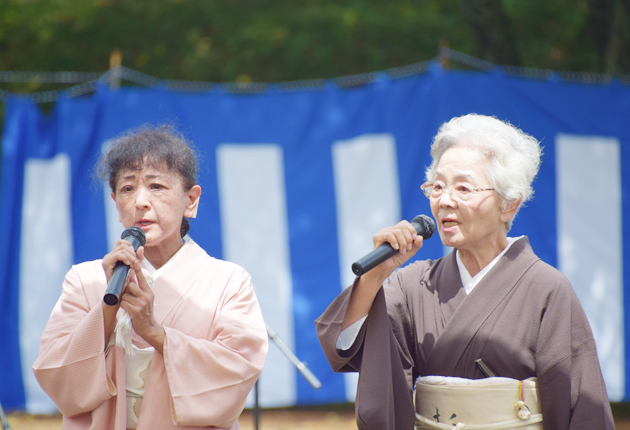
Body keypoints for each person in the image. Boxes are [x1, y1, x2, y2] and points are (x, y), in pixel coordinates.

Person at [315, 114, 615, 429]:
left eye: (463, 188)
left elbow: (579, 406)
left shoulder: (546, 288)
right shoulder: (413, 286)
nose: (445, 200)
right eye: (438, 186)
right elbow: (350, 348)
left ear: (509, 204)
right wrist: (375, 276)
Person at [33, 126, 268, 430]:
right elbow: (56, 372)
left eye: (156, 186)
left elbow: (237, 372)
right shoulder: (85, 280)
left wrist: (155, 333)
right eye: (128, 189)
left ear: (191, 201)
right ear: (116, 203)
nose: (140, 201)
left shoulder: (228, 281)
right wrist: (108, 307)